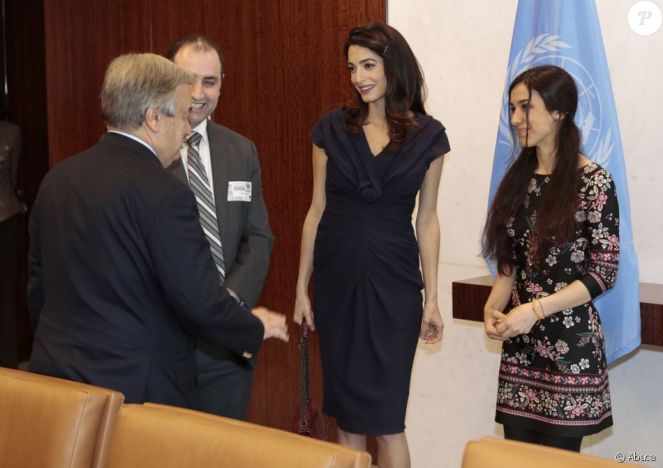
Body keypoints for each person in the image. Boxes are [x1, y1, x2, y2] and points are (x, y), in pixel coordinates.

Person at [27, 53, 288, 408]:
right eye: (181, 115)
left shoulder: (57, 179)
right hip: (136, 392)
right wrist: (253, 326)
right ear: (153, 118)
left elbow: (39, 288)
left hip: (59, 381)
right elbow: (197, 299)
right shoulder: (165, 193)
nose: (186, 129)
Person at [293, 23, 450, 468]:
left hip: (395, 287)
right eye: (351, 68)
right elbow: (316, 210)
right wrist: (301, 287)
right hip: (337, 283)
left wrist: (433, 299)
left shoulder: (430, 137)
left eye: (368, 65)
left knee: (388, 422)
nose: (358, 77)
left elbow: (428, 219)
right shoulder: (330, 129)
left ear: (393, 67)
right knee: (347, 420)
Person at [482, 65, 618, 452]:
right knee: (518, 458)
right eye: (512, 108)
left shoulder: (594, 181)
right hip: (521, 349)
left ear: (559, 111)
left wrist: (535, 310)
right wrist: (493, 306)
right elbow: (510, 260)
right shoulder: (518, 179)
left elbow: (603, 273)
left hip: (570, 349)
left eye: (525, 107)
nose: (515, 118)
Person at [166, 34, 274, 419]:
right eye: (187, 79)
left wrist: (229, 301)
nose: (198, 93)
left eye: (209, 82)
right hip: (167, 339)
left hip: (226, 345)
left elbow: (259, 237)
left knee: (222, 446)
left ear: (222, 83)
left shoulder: (240, 150)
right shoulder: (148, 151)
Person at [0, 119, 22, 368]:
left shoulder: (11, 132)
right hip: (6, 214)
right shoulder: (11, 133)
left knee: (7, 293)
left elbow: (14, 177)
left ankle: (8, 364)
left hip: (6, 217)